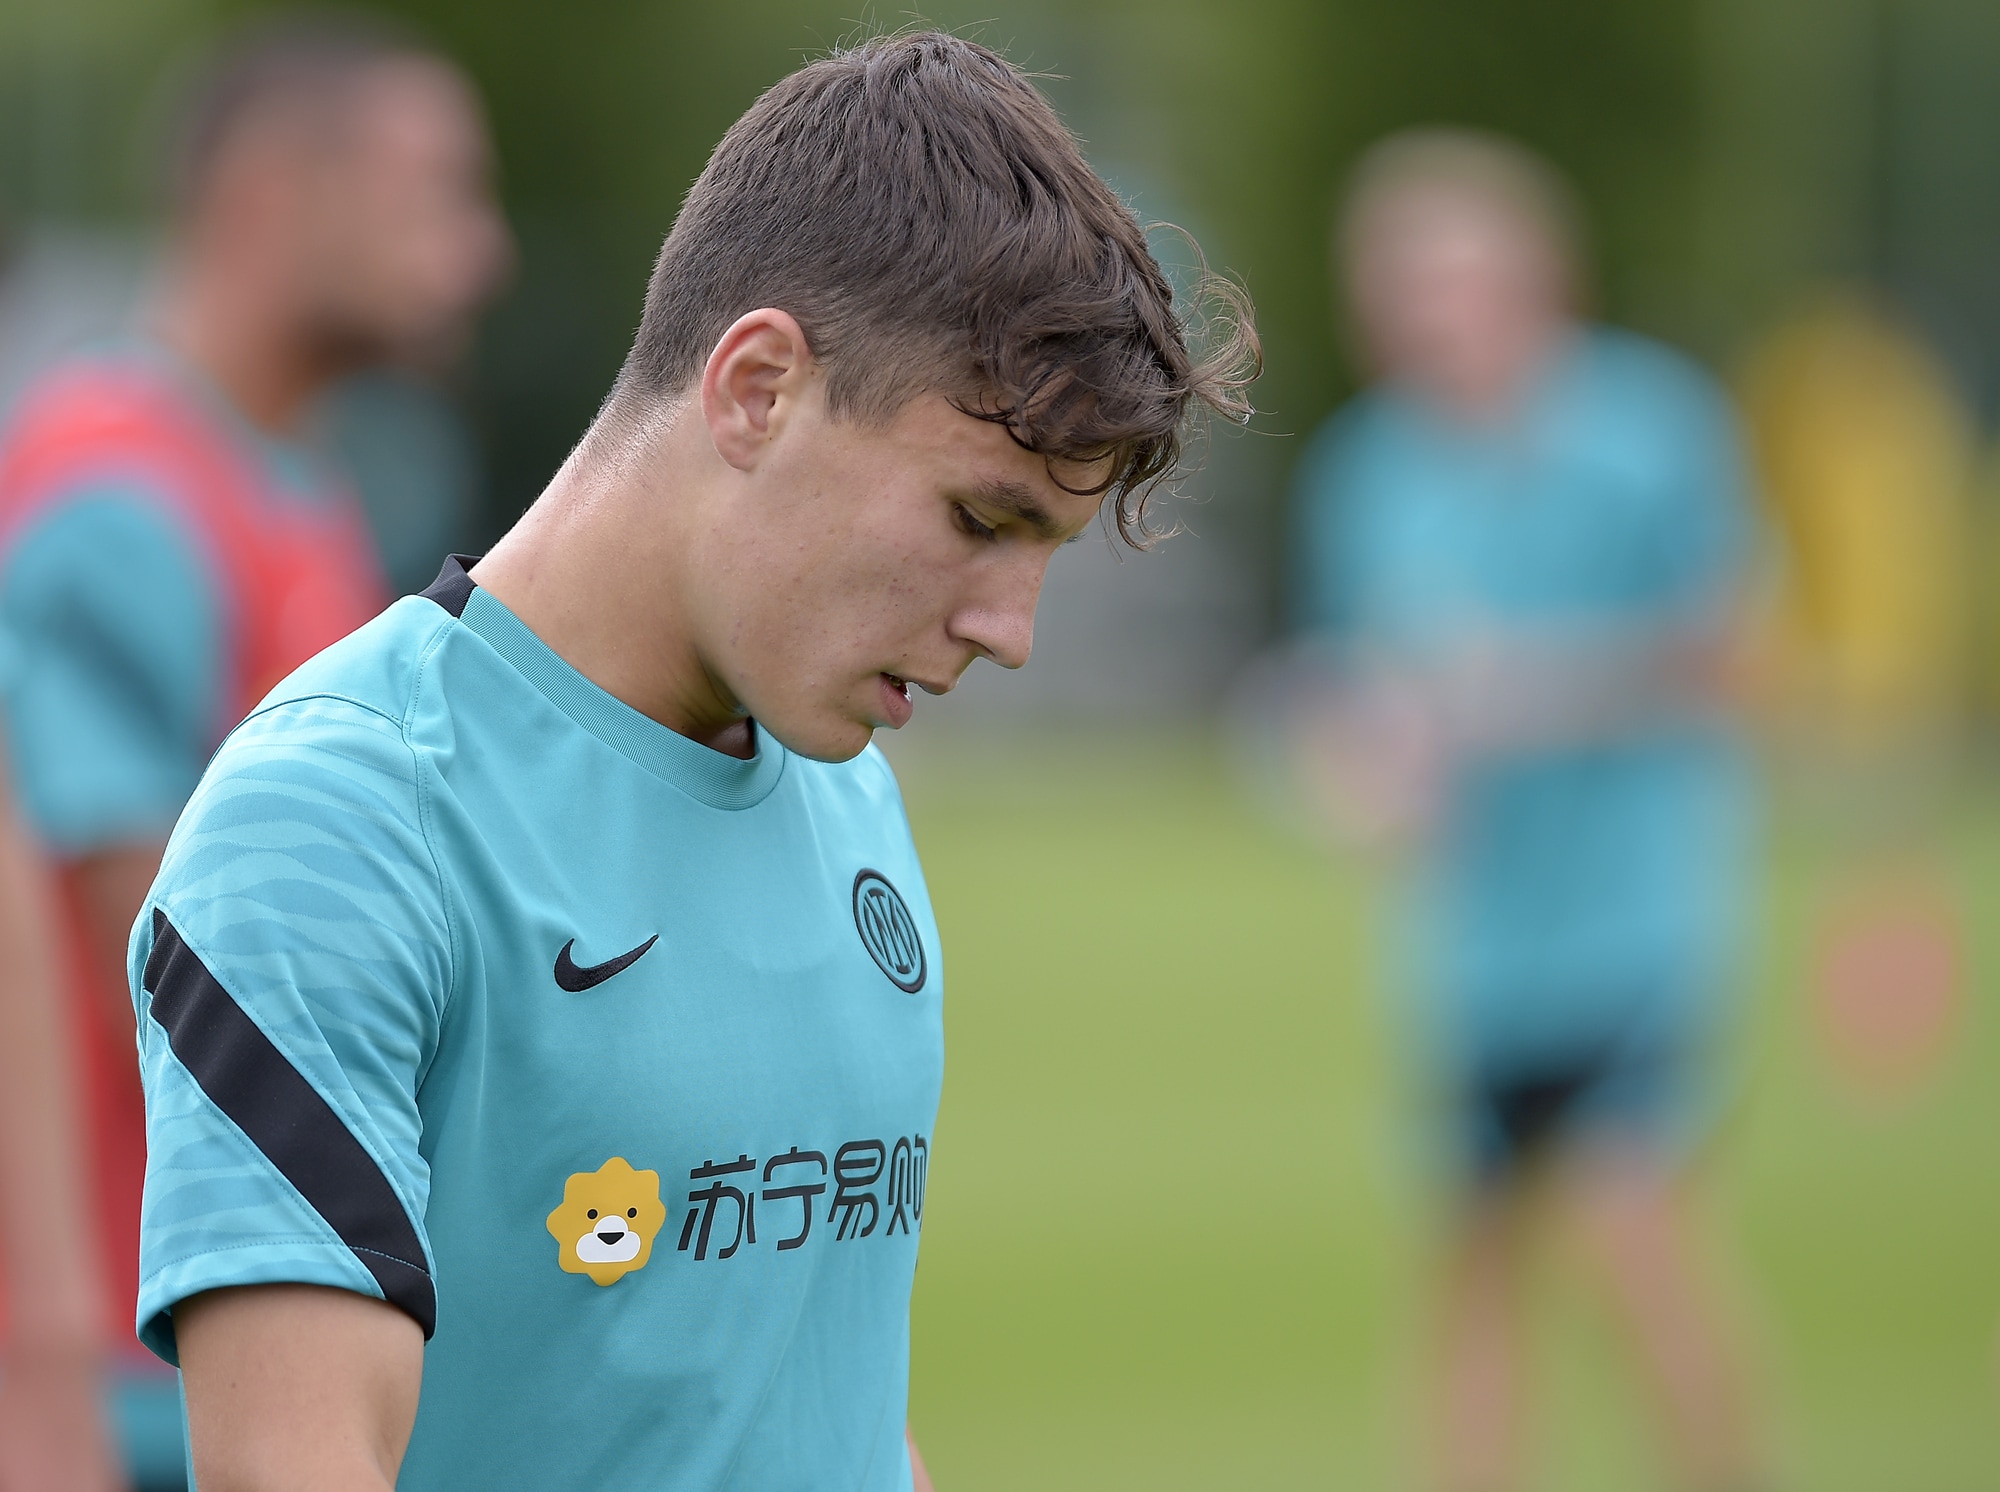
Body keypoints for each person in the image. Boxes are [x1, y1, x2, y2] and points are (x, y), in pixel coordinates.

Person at [123, 31, 1256, 1492]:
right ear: (758, 388)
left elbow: (822, 1397)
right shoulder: (338, 822)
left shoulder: (844, 782)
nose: (1012, 632)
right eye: (982, 520)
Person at [0, 15, 510, 1488]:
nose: (480, 251)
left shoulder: (284, 482)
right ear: (269, 200)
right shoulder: (118, 493)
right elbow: (159, 934)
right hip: (131, 1365)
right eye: (434, 192)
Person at [1289, 130, 1759, 1492]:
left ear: (1533, 280)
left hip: (1631, 917)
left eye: (1443, 283)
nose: (1417, 320)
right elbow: (1357, 692)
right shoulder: (1367, 472)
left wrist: (1533, 690)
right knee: (1473, 1268)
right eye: (1392, 292)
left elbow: (1731, 656)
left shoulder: (1650, 431)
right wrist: (1366, 769)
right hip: (1473, 945)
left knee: (1634, 1238)